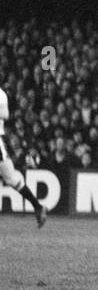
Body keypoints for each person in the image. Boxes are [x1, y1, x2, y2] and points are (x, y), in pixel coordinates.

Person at [0, 85, 48, 228]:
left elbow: (5, 114)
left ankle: (38, 207)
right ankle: (38, 207)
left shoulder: (1, 94)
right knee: (11, 178)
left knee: (10, 178)